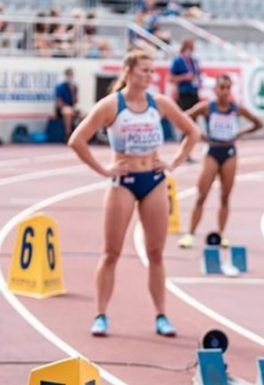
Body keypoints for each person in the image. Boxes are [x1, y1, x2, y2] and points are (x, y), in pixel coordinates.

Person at [68, 50, 200, 337]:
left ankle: (161, 315)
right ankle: (100, 314)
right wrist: (103, 170)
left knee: (156, 253)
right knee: (111, 253)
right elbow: (76, 140)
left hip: (153, 180)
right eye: (144, 70)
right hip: (123, 182)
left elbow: (193, 132)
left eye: (152, 71)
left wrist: (173, 163)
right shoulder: (111, 106)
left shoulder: (160, 103)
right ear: (128, 71)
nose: (149, 76)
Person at [177, 74, 263, 249]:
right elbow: (183, 118)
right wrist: (198, 134)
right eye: (221, 87)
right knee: (201, 195)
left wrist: (241, 133)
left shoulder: (237, 109)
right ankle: (190, 234)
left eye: (228, 88)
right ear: (215, 89)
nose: (224, 91)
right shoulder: (207, 108)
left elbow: (258, 123)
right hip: (212, 150)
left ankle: (222, 234)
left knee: (225, 197)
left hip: (229, 151)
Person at [170, 38, 201, 161]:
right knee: (186, 123)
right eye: (192, 45)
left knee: (193, 123)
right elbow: (171, 78)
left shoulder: (194, 61)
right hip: (184, 94)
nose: (193, 47)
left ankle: (187, 152)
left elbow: (197, 75)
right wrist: (185, 77)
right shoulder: (178, 61)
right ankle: (184, 152)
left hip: (194, 93)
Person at [55, 68, 83, 141]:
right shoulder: (60, 87)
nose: (71, 77)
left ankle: (81, 134)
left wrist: (73, 92)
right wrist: (68, 107)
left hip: (71, 107)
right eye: (69, 75)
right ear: (66, 76)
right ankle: (68, 133)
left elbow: (75, 101)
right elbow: (58, 103)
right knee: (67, 111)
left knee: (84, 114)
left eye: (72, 75)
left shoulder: (74, 87)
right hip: (61, 109)